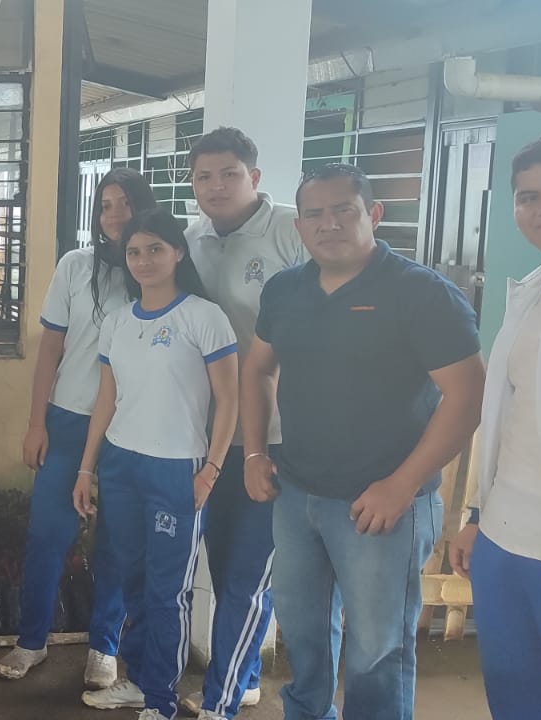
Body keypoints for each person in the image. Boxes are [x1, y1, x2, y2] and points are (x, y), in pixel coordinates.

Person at [243, 163, 483, 720]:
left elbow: (468, 396)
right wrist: (254, 451)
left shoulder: (420, 293)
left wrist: (401, 485)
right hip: (295, 494)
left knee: (377, 651)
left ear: (373, 214)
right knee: (302, 633)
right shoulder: (285, 290)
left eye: (343, 210)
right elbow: (257, 368)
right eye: (314, 214)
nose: (328, 224)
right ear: (299, 227)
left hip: (382, 507)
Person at [448, 131, 541, 720]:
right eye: (529, 196)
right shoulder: (533, 291)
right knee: (517, 701)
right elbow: (512, 420)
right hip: (504, 546)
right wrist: (480, 517)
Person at [74, 209, 239, 720]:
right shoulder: (119, 321)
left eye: (155, 249)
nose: (143, 260)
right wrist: (86, 468)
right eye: (134, 252)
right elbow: (107, 399)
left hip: (176, 469)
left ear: (178, 252)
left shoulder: (204, 316)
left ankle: (162, 702)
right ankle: (141, 681)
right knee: (131, 581)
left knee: (168, 591)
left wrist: (211, 470)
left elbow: (229, 400)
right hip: (121, 464)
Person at [0, 168, 155, 688]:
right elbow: (50, 349)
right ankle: (31, 641)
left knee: (116, 542)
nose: (114, 214)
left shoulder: (154, 270)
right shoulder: (75, 265)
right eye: (105, 205)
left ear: (144, 208)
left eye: (125, 203)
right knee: (48, 534)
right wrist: (36, 422)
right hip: (67, 419)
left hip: (129, 428)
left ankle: (103, 647)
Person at [178, 127, 306, 719]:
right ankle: (245, 676)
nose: (216, 186)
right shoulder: (191, 239)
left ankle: (220, 701)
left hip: (275, 436)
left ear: (254, 177)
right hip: (212, 436)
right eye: (203, 176)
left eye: (229, 174)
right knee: (225, 562)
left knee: (249, 575)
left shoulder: (291, 231)